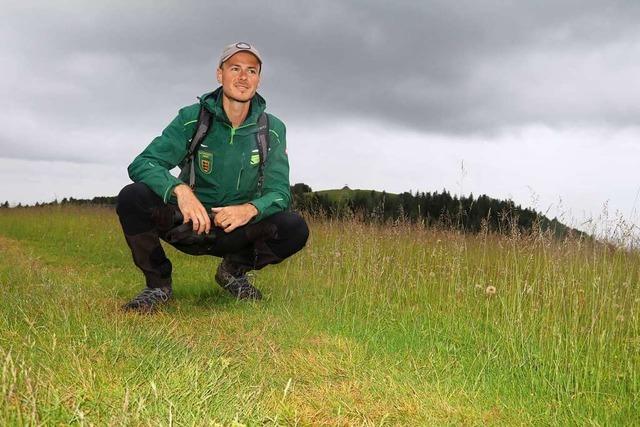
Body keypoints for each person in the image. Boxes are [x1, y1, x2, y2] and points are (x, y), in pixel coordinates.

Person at [116, 42, 309, 312]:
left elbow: (280, 193)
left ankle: (232, 272)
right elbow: (144, 163)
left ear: (259, 79)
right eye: (235, 68)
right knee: (132, 197)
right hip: (189, 225)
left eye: (251, 71)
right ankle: (157, 285)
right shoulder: (192, 118)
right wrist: (179, 191)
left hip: (235, 231)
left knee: (294, 227)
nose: (243, 77)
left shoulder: (272, 129)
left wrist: (250, 209)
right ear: (220, 74)